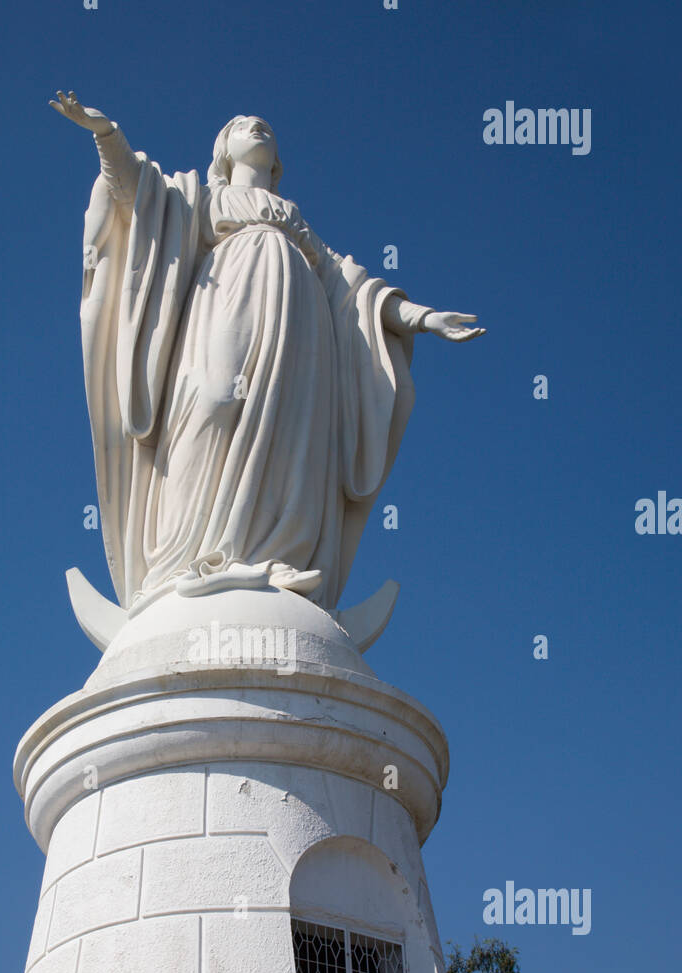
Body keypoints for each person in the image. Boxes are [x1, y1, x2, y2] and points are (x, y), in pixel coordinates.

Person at [51, 95, 485, 614]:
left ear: (277, 159)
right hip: (225, 298)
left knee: (293, 433)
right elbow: (135, 191)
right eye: (242, 125)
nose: (256, 127)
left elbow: (349, 287)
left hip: (301, 327)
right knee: (211, 402)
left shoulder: (293, 219)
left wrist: (420, 318)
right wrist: (106, 135)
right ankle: (186, 557)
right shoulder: (198, 198)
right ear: (224, 149)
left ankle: (276, 556)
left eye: (265, 128)